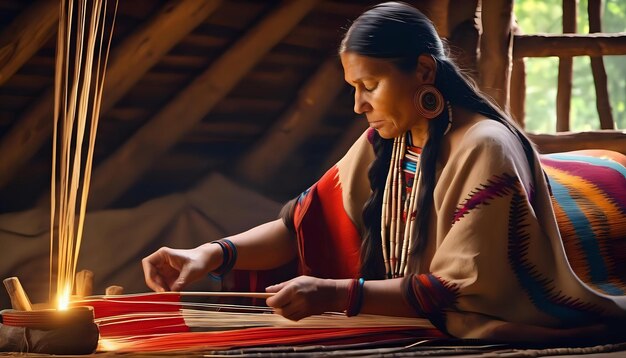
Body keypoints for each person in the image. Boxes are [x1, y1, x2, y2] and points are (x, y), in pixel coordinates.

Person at [142, 2, 626, 342]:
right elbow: (303, 226)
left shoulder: (485, 147)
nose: (358, 104)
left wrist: (332, 293)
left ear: (422, 70)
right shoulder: (387, 141)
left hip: (600, 216)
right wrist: (207, 255)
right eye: (354, 87)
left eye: (369, 84)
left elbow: (459, 288)